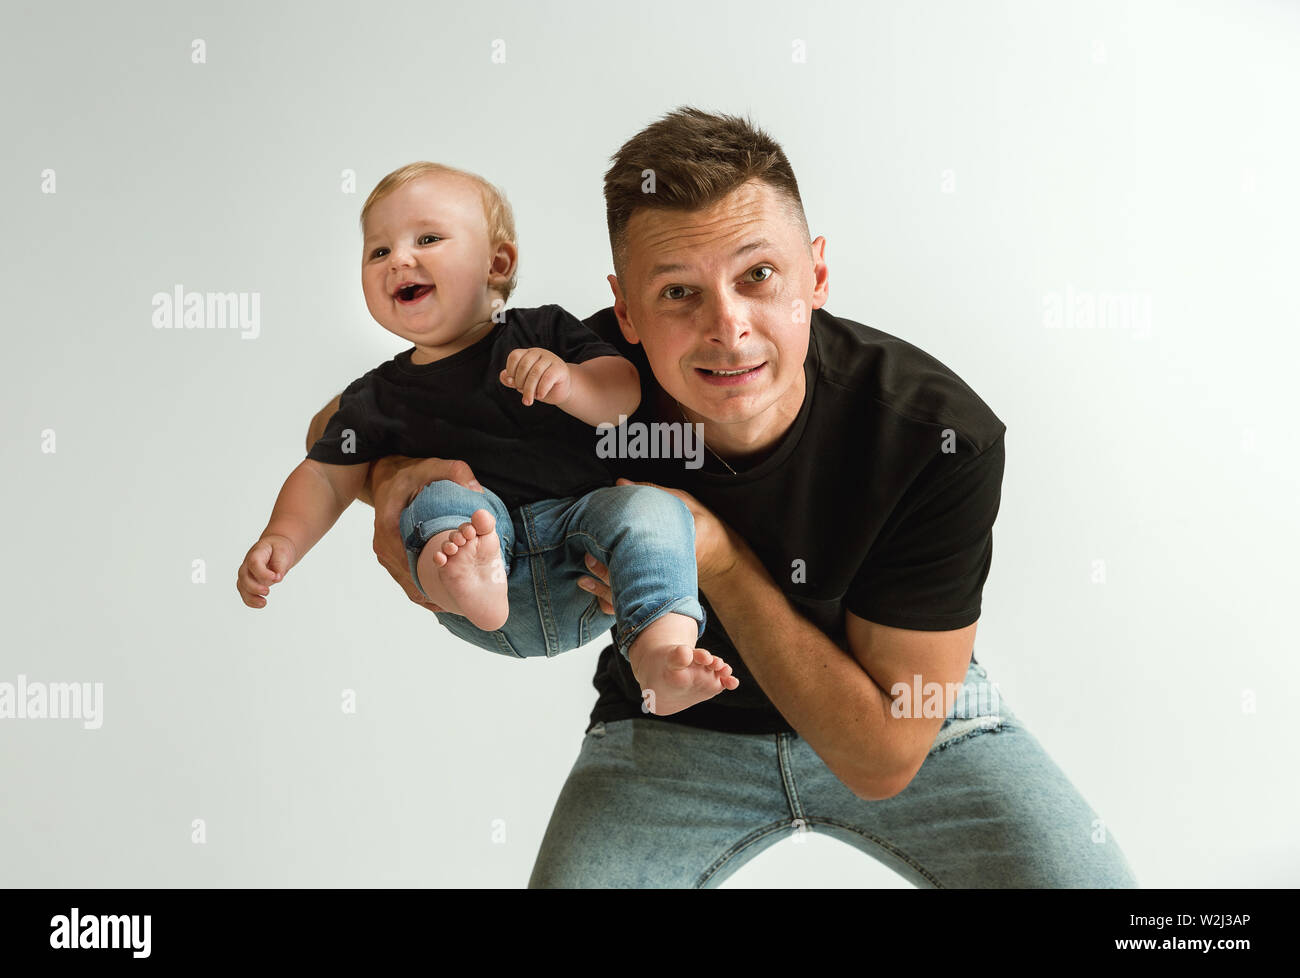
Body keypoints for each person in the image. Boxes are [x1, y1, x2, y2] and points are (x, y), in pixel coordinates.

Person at [309, 109, 1140, 888]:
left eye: (759, 275)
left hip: (895, 710)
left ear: (815, 274)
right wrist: (395, 479)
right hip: (672, 725)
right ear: (626, 311)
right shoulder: (579, 376)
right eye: (678, 292)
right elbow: (360, 415)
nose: (727, 326)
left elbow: (883, 758)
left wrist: (713, 553)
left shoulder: (933, 431)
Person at [239, 161, 738, 717]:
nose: (399, 259)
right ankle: (465, 575)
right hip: (479, 582)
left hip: (585, 556)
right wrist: (280, 537)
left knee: (652, 509)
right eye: (378, 252)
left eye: (427, 238)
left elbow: (622, 395)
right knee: (440, 497)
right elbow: (326, 475)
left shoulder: (542, 331)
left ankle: (659, 655)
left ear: (497, 263)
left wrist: (570, 383)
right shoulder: (375, 395)